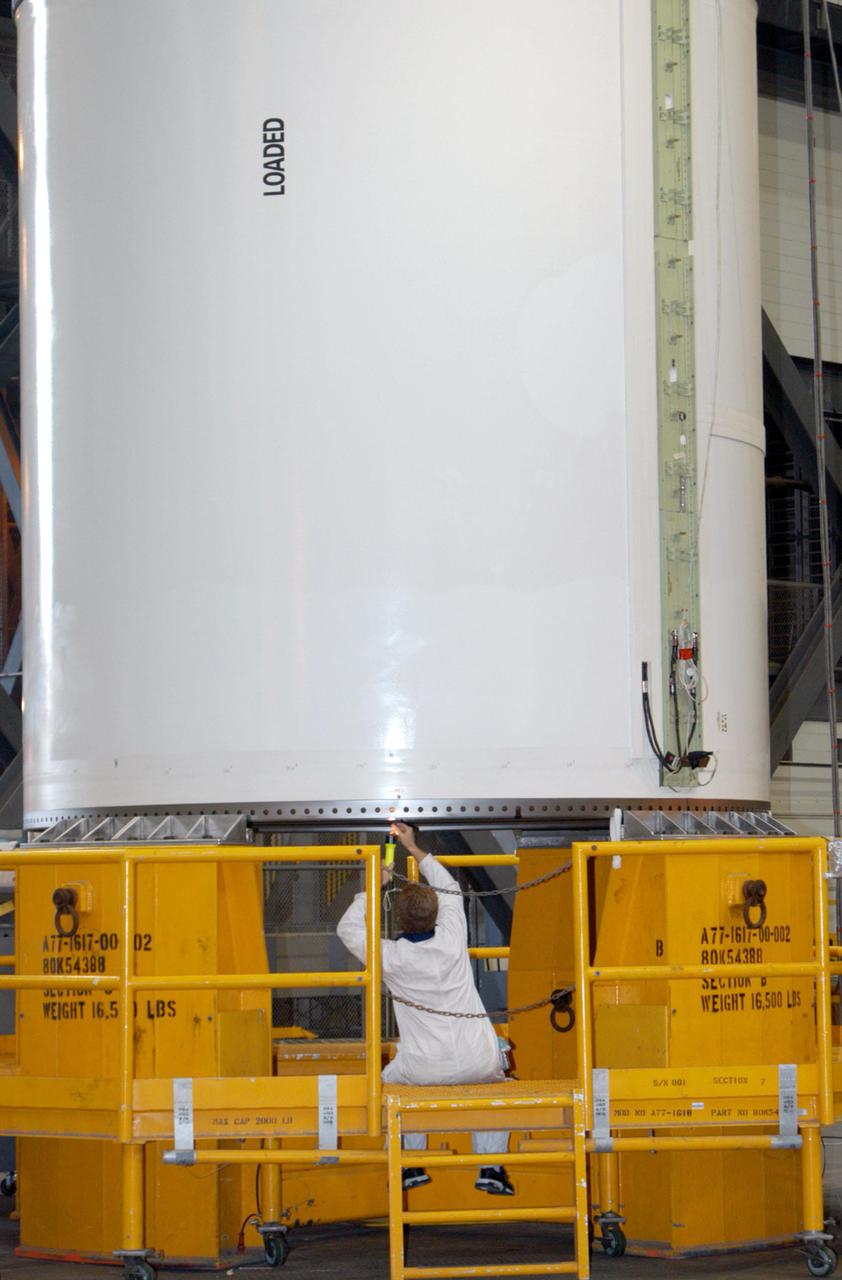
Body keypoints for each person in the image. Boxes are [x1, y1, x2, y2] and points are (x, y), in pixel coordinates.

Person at [337, 821, 513, 1195]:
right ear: (435, 915)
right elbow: (450, 889)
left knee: (390, 1087)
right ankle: (491, 1169)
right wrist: (414, 848)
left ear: (398, 918)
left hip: (422, 1068)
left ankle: (407, 1165)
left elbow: (347, 930)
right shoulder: (452, 939)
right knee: (495, 1085)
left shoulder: (390, 956)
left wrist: (374, 885)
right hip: (476, 1060)